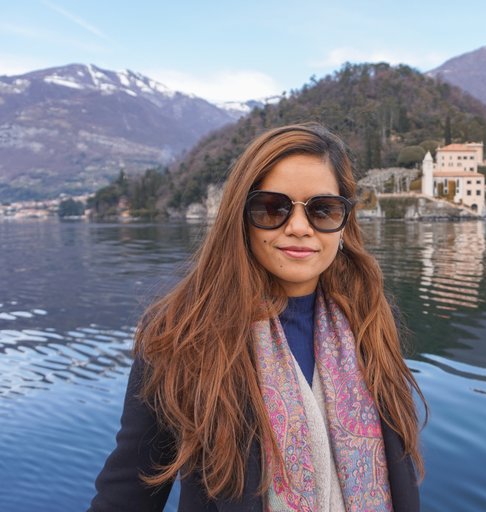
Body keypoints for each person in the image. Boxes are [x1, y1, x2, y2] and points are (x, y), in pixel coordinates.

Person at [89, 123, 426, 511]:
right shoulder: (182, 337)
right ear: (241, 217)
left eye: (322, 210)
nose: (299, 228)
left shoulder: (369, 319)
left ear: (345, 222)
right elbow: (127, 495)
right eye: (272, 208)